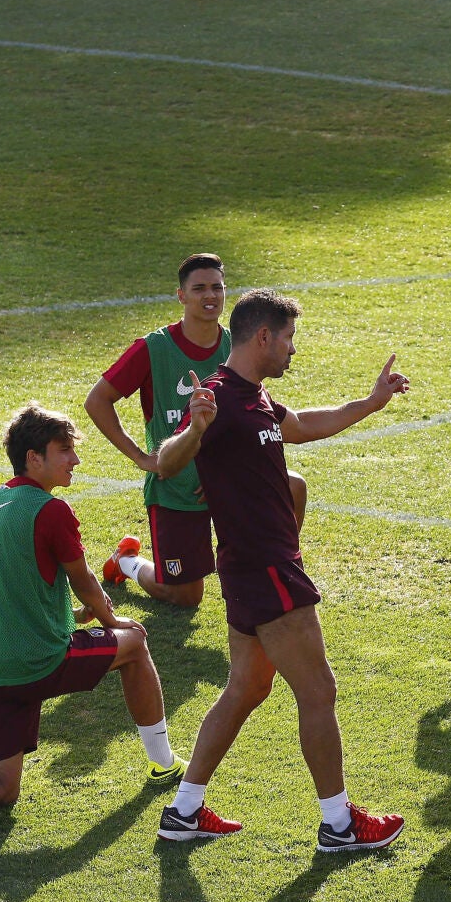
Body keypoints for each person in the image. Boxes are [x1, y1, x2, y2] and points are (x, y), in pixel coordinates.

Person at [149, 289, 406, 852]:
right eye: (289, 337)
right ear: (263, 336)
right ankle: (338, 824)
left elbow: (307, 424)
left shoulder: (255, 398)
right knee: (319, 691)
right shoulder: (216, 399)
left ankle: (184, 810)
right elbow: (166, 464)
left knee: (246, 687)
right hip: (264, 569)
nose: (293, 349)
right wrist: (194, 430)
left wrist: (370, 402)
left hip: (253, 567)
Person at [0, 405, 182, 836]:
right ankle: (163, 764)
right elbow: (85, 583)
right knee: (134, 645)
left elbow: (19, 587)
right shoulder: (50, 510)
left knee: (1, 786)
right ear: (33, 458)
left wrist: (74, 618)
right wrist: (113, 620)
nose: (75, 461)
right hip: (37, 663)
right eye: (64, 451)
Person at [84, 253, 308, 606]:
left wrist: (224, 472)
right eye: (199, 288)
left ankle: (276, 567)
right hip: (178, 487)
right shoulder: (153, 348)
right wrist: (141, 457)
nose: (210, 296)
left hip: (227, 482)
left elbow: (254, 414)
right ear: (181, 296)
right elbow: (97, 400)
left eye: (217, 287)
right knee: (185, 596)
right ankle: (126, 561)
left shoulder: (241, 344)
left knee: (293, 485)